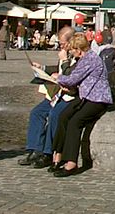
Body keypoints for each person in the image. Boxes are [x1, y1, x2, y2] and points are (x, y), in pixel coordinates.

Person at [51, 33, 113, 177]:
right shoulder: (84, 58)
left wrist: (57, 77)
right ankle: (58, 154)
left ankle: (71, 162)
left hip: (98, 99)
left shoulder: (90, 59)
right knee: (63, 116)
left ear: (79, 49)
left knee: (75, 122)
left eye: (72, 50)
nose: (71, 52)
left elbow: (73, 78)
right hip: (85, 96)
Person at [17, 26, 77, 168]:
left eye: (62, 44)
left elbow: (71, 75)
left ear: (70, 42)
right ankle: (35, 149)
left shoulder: (77, 54)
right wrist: (42, 69)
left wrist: (62, 66)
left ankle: (48, 152)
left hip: (70, 95)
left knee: (54, 115)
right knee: (36, 113)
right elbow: (58, 69)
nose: (60, 46)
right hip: (57, 92)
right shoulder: (65, 54)